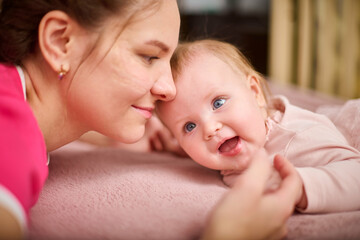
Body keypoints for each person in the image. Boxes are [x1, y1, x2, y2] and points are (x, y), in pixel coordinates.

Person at [0, 1, 299, 239]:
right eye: (149, 57)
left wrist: (102, 134)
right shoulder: (10, 132)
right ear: (60, 41)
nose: (168, 90)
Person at [157, 39, 360, 214]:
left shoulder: (297, 137)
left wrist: (299, 187)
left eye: (218, 103)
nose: (209, 129)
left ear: (255, 92)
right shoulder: (222, 147)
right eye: (189, 126)